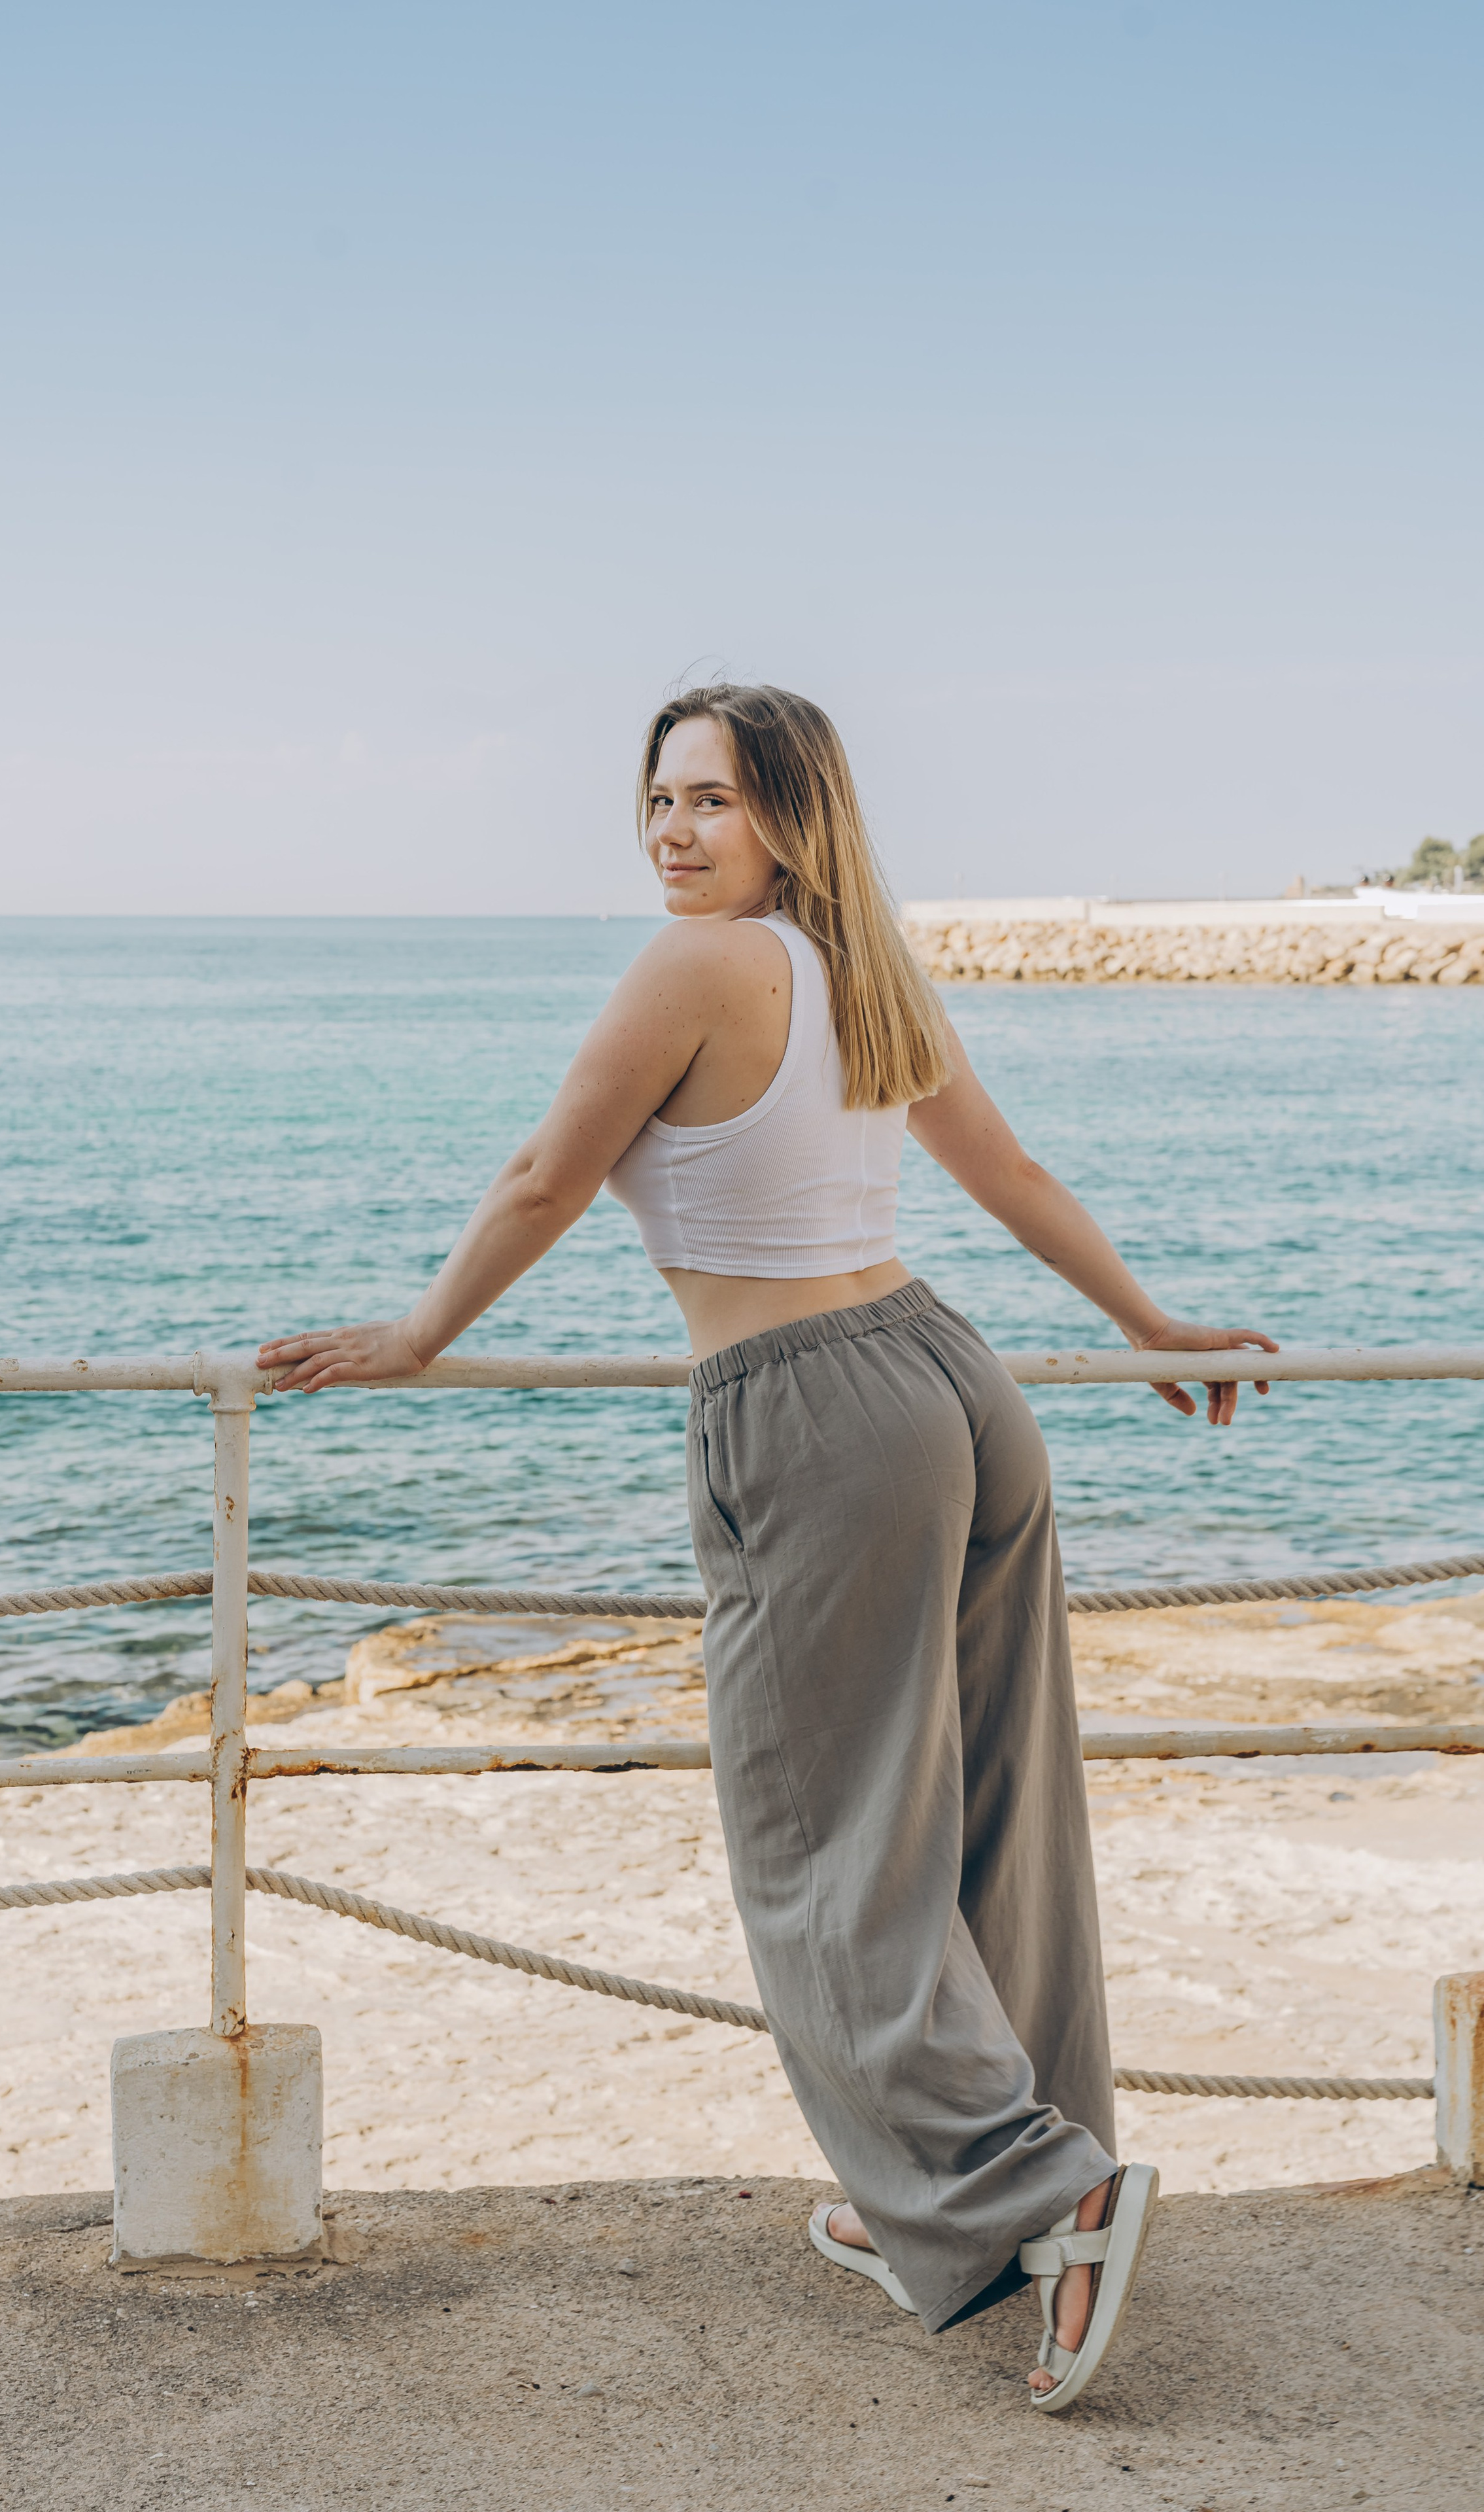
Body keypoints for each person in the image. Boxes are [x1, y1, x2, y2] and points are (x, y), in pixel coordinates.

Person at [258, 682, 1276, 2411]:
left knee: (821, 1846)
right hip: (954, 1382)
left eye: (713, 800)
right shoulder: (856, 966)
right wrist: (1149, 1326)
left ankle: (1041, 2188)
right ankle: (960, 2205)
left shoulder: (695, 969)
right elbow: (1008, 1172)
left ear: (791, 816)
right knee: (981, 1805)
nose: (674, 830)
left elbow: (541, 1179)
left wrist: (422, 1335)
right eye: (660, 798)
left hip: (811, 1411)